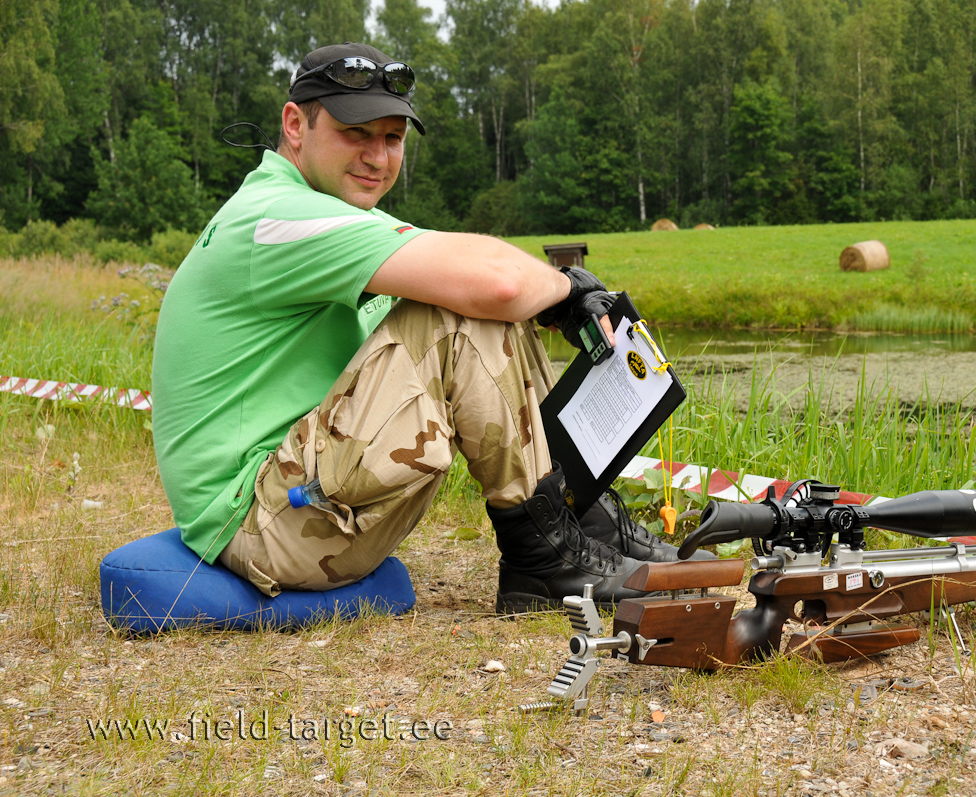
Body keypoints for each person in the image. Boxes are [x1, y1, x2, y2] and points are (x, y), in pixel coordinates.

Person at [151, 42, 708, 616]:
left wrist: (554, 297)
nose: (376, 156)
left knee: (474, 296)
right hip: (261, 526)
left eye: (392, 139)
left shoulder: (326, 214)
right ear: (295, 124)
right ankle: (541, 559)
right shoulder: (277, 218)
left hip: (293, 505)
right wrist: (568, 290)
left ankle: (574, 515)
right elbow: (492, 283)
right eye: (355, 132)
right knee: (457, 310)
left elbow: (481, 272)